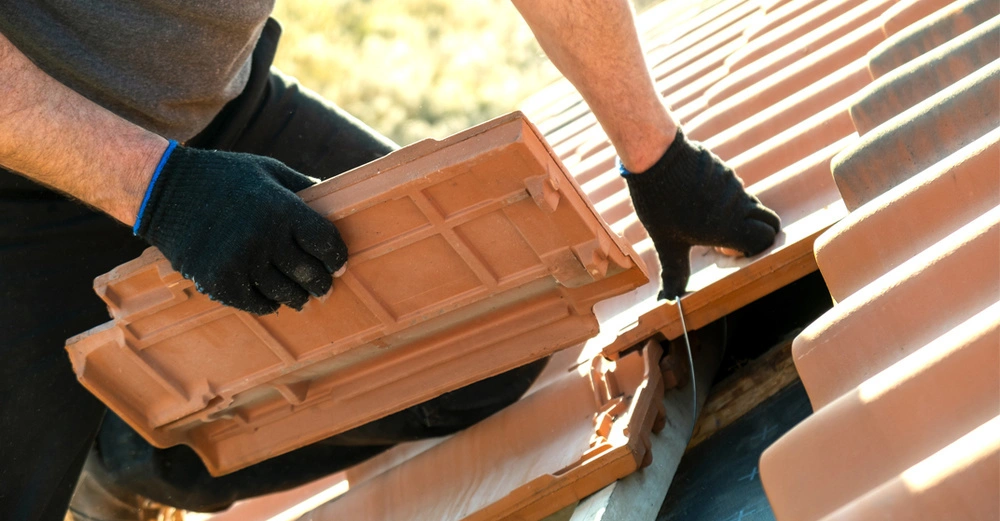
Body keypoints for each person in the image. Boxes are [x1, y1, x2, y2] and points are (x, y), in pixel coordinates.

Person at [0, 0, 780, 518]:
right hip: (17, 170)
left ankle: (125, 447)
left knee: (480, 339)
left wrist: (655, 153)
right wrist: (159, 190)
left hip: (210, 109)